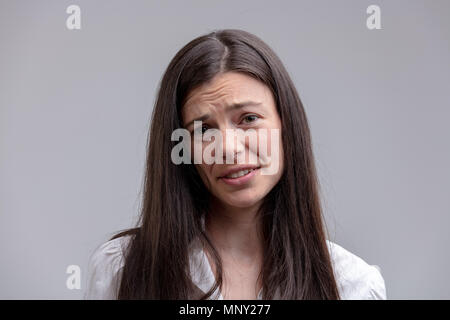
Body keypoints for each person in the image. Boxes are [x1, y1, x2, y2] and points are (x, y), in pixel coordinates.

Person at [84, 29, 386, 300]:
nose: (227, 149)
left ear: (287, 125)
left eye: (249, 119)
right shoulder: (121, 270)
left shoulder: (351, 286)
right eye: (203, 130)